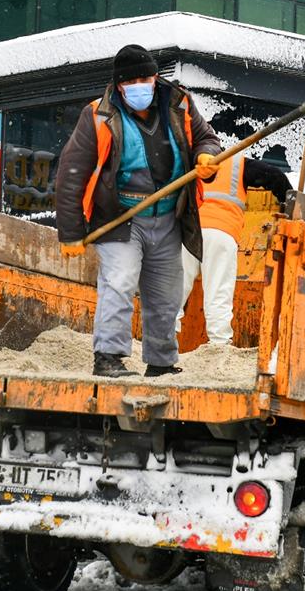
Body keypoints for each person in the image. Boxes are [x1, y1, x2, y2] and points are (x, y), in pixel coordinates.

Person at [55, 44, 222, 378]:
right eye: (132, 81)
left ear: (156, 77)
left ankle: (160, 362)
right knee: (119, 282)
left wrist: (206, 157)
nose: (141, 86)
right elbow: (71, 173)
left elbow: (206, 138)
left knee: (166, 293)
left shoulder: (179, 104)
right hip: (121, 217)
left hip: (168, 216)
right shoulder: (98, 115)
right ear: (119, 85)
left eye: (146, 78)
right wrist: (71, 232)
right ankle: (108, 358)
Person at [178, 155, 292, 346]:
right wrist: (289, 202)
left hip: (186, 233)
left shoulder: (184, 159)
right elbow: (275, 176)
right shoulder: (236, 163)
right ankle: (219, 344)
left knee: (174, 292)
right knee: (218, 291)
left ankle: (161, 343)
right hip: (222, 232)